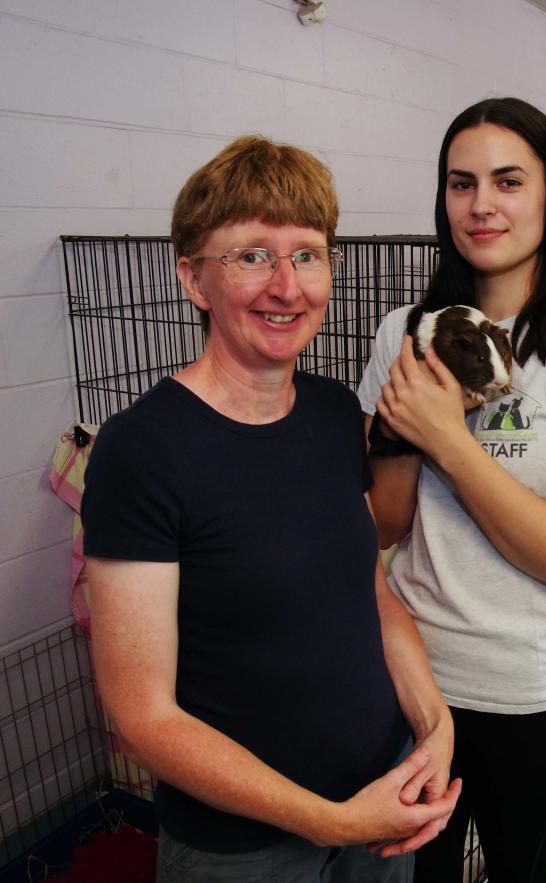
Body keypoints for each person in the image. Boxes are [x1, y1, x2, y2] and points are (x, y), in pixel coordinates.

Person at [81, 136, 461, 883]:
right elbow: (144, 714)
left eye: (309, 254)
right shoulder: (141, 451)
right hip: (245, 846)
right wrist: (332, 819)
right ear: (194, 278)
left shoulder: (329, 410)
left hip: (382, 801)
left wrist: (433, 721)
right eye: (252, 255)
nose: (287, 286)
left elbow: (371, 592)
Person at [357, 98, 546, 882]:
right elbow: (386, 523)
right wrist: (403, 428)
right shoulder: (403, 333)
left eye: (508, 180)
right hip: (417, 687)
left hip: (540, 699)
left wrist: (451, 441)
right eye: (462, 184)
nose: (482, 204)